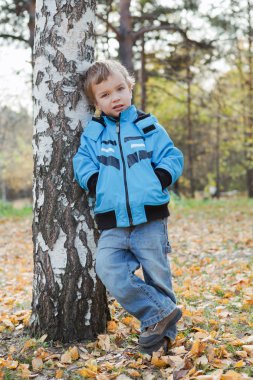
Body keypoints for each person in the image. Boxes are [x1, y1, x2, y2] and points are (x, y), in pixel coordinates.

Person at [73, 60, 184, 354]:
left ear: (130, 87)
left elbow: (172, 156)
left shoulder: (147, 124)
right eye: (105, 95)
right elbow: (82, 161)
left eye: (120, 89)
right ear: (95, 102)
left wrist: (158, 178)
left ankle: (160, 341)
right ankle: (159, 313)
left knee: (157, 276)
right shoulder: (95, 133)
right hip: (113, 222)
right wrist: (95, 182)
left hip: (150, 218)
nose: (115, 97)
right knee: (108, 268)